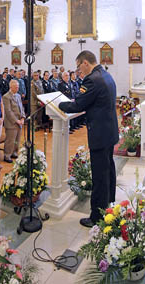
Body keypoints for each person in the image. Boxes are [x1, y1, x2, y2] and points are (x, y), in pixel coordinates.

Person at [59, 50, 118, 228]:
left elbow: (78, 104)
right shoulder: (106, 75)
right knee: (108, 169)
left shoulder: (92, 79)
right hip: (109, 131)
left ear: (85, 63)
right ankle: (109, 203)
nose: (79, 72)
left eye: (79, 67)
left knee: (99, 174)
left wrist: (59, 104)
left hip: (100, 133)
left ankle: (97, 216)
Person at [2, 79, 25, 163]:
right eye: (16, 87)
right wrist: (16, 120)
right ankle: (7, 155)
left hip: (19, 121)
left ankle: (14, 152)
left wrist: (22, 117)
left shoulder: (18, 96)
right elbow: (8, 111)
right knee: (10, 140)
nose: (17, 88)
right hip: (11, 122)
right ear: (11, 87)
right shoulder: (6, 96)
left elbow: (21, 107)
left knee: (17, 139)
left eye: (18, 87)